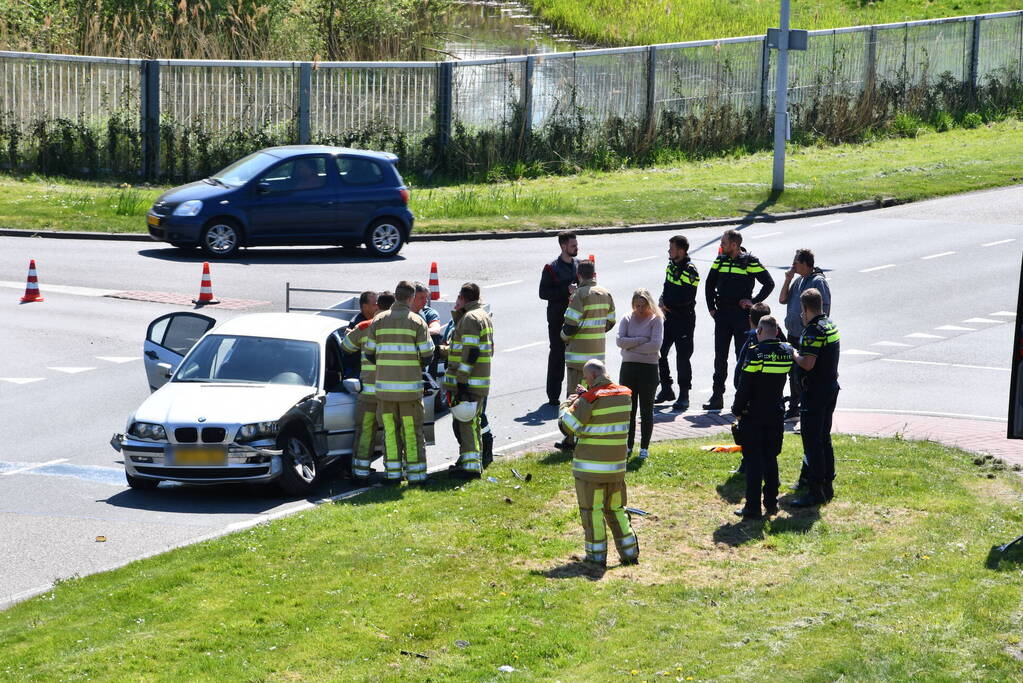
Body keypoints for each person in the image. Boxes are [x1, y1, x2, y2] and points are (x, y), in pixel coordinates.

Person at [559, 359, 638, 568]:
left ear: (593, 376)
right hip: (616, 469)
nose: (586, 381)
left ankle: (596, 556)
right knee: (616, 509)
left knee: (592, 512)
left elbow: (568, 426)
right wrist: (586, 395)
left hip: (590, 470)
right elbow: (603, 409)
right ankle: (629, 552)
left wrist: (567, 404)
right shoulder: (624, 394)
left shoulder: (589, 399)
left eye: (586, 377)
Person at [365, 281, 435, 485]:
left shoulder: (378, 320)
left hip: (384, 393)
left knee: (390, 432)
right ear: (411, 298)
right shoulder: (417, 321)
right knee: (411, 432)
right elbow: (428, 355)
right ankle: (416, 475)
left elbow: (369, 353)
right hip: (409, 393)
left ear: (396, 296)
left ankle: (392, 474)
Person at [703, 228, 775, 410]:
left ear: (734, 245)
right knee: (720, 357)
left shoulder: (750, 261)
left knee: (741, 356)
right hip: (722, 314)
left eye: (724, 243)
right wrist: (711, 308)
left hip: (741, 315)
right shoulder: (721, 260)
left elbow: (769, 283)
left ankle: (742, 398)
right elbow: (709, 283)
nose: (721, 245)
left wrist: (753, 302)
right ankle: (717, 396)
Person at [730, 315, 793, 520]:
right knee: (770, 457)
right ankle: (771, 502)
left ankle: (752, 507)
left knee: (753, 461)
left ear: (759, 331)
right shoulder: (786, 352)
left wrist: (737, 409)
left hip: (754, 414)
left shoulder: (755, 353)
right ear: (777, 331)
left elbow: (745, 385)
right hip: (775, 412)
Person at [789, 288, 841, 507]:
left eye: (802, 310)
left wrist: (793, 353)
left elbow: (808, 363)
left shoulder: (813, 331)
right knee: (824, 438)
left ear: (805, 308)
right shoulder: (830, 325)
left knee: (812, 441)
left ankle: (815, 489)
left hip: (816, 392)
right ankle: (828, 484)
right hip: (830, 388)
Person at [559, 260, 615, 448]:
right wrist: (596, 332)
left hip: (578, 359)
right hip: (597, 357)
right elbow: (611, 321)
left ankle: (571, 439)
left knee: (575, 399)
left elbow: (570, 325)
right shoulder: (605, 293)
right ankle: (589, 434)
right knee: (593, 397)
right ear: (594, 274)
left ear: (579, 275)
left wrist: (563, 336)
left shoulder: (579, 295)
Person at [444, 283, 494, 477]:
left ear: (462, 298)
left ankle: (471, 468)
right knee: (471, 424)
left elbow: (471, 351)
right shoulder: (482, 316)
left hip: (469, 382)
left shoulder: (470, 318)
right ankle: (471, 463)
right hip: (478, 380)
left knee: (467, 425)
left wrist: (462, 380)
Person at [341, 292, 392, 480]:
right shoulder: (401, 328)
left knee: (365, 432)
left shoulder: (364, 326)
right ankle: (394, 472)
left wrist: (351, 335)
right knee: (392, 432)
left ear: (378, 306)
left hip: (369, 394)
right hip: (392, 393)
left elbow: (346, 347)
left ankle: (360, 472)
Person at [779, 249, 831, 420]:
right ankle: (794, 407)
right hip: (793, 334)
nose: (793, 266)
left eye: (795, 262)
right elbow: (782, 299)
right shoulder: (798, 281)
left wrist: (812, 329)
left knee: (803, 374)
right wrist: (788, 279)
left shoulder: (818, 281)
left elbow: (824, 309)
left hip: (807, 335)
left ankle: (803, 407)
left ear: (804, 263)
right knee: (793, 373)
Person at [617, 288, 663, 460]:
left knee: (646, 409)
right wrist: (641, 340)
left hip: (648, 369)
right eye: (637, 306)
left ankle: (644, 447)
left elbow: (655, 346)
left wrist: (631, 347)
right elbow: (619, 341)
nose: (641, 309)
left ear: (649, 304)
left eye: (644, 305)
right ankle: (628, 446)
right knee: (628, 409)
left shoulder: (656, 319)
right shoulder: (627, 318)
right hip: (628, 368)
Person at [657, 235, 700, 411]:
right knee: (659, 352)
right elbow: (667, 286)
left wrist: (668, 304)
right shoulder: (671, 265)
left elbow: (687, 297)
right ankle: (666, 388)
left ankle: (684, 395)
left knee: (682, 357)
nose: (669, 251)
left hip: (683, 320)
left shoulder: (690, 270)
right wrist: (661, 301)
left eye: (672, 248)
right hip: (669, 318)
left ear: (681, 251)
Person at [539, 231, 580, 405]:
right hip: (557, 318)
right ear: (563, 246)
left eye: (576, 245)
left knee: (576, 355)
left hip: (576, 317)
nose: (576, 248)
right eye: (573, 245)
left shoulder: (578, 264)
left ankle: (576, 392)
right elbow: (543, 293)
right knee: (557, 354)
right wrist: (566, 290)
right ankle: (553, 395)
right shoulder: (551, 268)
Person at [343, 291, 379, 379]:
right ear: (365, 307)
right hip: (358, 373)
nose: (378, 307)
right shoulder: (357, 325)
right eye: (374, 304)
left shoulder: (376, 321)